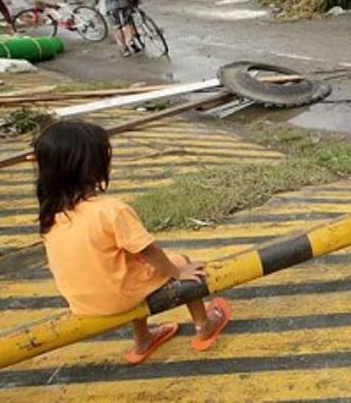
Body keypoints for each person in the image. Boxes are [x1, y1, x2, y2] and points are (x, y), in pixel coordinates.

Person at [34, 121, 232, 365]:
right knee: (183, 263)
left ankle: (143, 339)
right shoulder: (110, 210)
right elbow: (148, 249)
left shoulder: (51, 215)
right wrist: (176, 271)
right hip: (119, 296)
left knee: (128, 266)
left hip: (82, 302)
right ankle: (204, 325)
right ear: (93, 167)